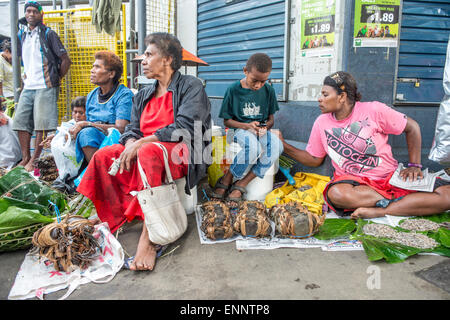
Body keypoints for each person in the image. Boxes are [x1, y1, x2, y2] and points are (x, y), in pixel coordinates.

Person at [77, 32, 211, 271]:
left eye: (149, 54)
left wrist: (142, 143)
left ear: (168, 59)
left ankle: (149, 239)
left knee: (148, 151)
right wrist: (129, 143)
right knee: (105, 155)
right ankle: (112, 216)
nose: (143, 60)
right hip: (147, 148)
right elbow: (131, 129)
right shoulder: (144, 93)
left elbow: (187, 127)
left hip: (182, 151)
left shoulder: (191, 86)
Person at [277, 71, 450, 219]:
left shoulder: (374, 110)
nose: (319, 99)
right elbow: (314, 159)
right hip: (356, 185)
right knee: (336, 193)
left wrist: (414, 165)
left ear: (342, 97)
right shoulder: (322, 122)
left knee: (447, 195)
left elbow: (412, 127)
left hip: (389, 177)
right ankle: (402, 205)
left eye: (325, 94)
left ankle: (382, 210)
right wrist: (283, 145)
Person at [212, 53, 283, 201]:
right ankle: (227, 179)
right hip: (238, 129)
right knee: (253, 148)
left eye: (263, 82)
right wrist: (246, 126)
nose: (258, 85)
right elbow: (227, 121)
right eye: (254, 80)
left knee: (277, 146)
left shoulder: (268, 90)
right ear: (245, 71)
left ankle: (242, 183)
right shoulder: (233, 90)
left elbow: (271, 120)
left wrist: (264, 127)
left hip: (259, 131)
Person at [12, 1, 72, 172]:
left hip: (45, 84)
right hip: (29, 85)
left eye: (34, 12)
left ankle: (35, 160)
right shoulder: (22, 34)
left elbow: (65, 59)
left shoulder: (48, 34)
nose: (31, 14)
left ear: (41, 14)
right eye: (28, 11)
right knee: (20, 122)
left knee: (42, 124)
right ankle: (26, 158)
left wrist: (56, 78)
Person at [69, 51, 133, 164]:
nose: (91, 70)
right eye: (93, 66)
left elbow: (122, 128)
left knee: (87, 133)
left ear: (111, 74)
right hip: (93, 141)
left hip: (115, 142)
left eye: (97, 67)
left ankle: (99, 171)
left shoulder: (124, 95)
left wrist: (87, 124)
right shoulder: (92, 95)